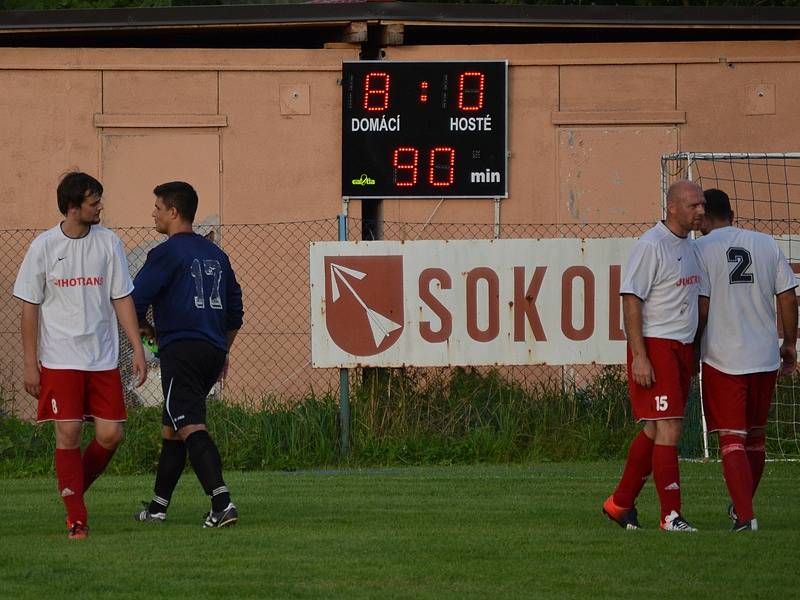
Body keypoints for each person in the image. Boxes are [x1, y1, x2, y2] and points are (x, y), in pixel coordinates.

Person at [13, 171, 147, 540]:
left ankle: (71, 491)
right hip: (59, 359)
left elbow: (121, 297)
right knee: (68, 432)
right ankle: (77, 518)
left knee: (111, 435)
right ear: (73, 207)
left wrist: (137, 348)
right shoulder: (43, 247)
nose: (100, 207)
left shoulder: (109, 242)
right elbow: (29, 308)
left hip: (102, 358)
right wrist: (30, 363)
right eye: (93, 202)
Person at [132, 181, 243, 528]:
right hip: (212, 348)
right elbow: (236, 313)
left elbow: (134, 299)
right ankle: (158, 507)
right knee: (173, 427)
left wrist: (144, 330)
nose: (154, 213)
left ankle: (222, 502)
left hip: (182, 349)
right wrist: (223, 349)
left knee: (190, 424)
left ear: (174, 212)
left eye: (158, 207)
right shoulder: (217, 255)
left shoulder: (167, 252)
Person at [602, 179, 705, 532]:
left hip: (681, 347)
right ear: (672, 207)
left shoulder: (691, 247)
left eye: (703, 204)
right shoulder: (651, 245)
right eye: (693, 205)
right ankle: (670, 516)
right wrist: (640, 356)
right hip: (657, 345)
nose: (700, 211)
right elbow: (631, 299)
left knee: (654, 428)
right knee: (671, 426)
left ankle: (620, 503)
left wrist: (692, 350)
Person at [695, 188, 797, 531]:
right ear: (732, 214)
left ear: (705, 218)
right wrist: (790, 343)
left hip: (724, 357)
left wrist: (693, 345)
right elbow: (787, 296)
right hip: (764, 356)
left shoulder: (700, 248)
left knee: (731, 439)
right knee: (755, 438)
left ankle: (744, 516)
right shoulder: (766, 243)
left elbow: (703, 306)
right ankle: (742, 506)